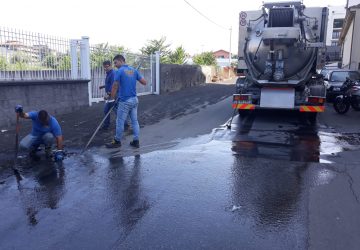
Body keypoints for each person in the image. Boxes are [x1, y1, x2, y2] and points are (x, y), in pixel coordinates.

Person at [106, 54, 146, 148]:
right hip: (134, 100)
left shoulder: (119, 71)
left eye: (115, 62)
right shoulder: (133, 70)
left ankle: (117, 141)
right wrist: (133, 78)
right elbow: (144, 82)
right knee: (134, 121)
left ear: (121, 61)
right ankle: (136, 141)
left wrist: (111, 98)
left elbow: (115, 86)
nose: (115, 65)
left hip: (125, 101)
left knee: (120, 121)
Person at [99, 60, 116, 130]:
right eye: (104, 67)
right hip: (110, 96)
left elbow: (114, 85)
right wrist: (103, 86)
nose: (105, 68)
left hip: (113, 96)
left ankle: (125, 124)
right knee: (106, 110)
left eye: (106, 67)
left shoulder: (113, 74)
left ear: (110, 66)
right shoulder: (108, 73)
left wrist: (108, 95)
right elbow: (109, 84)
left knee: (117, 111)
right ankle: (106, 126)